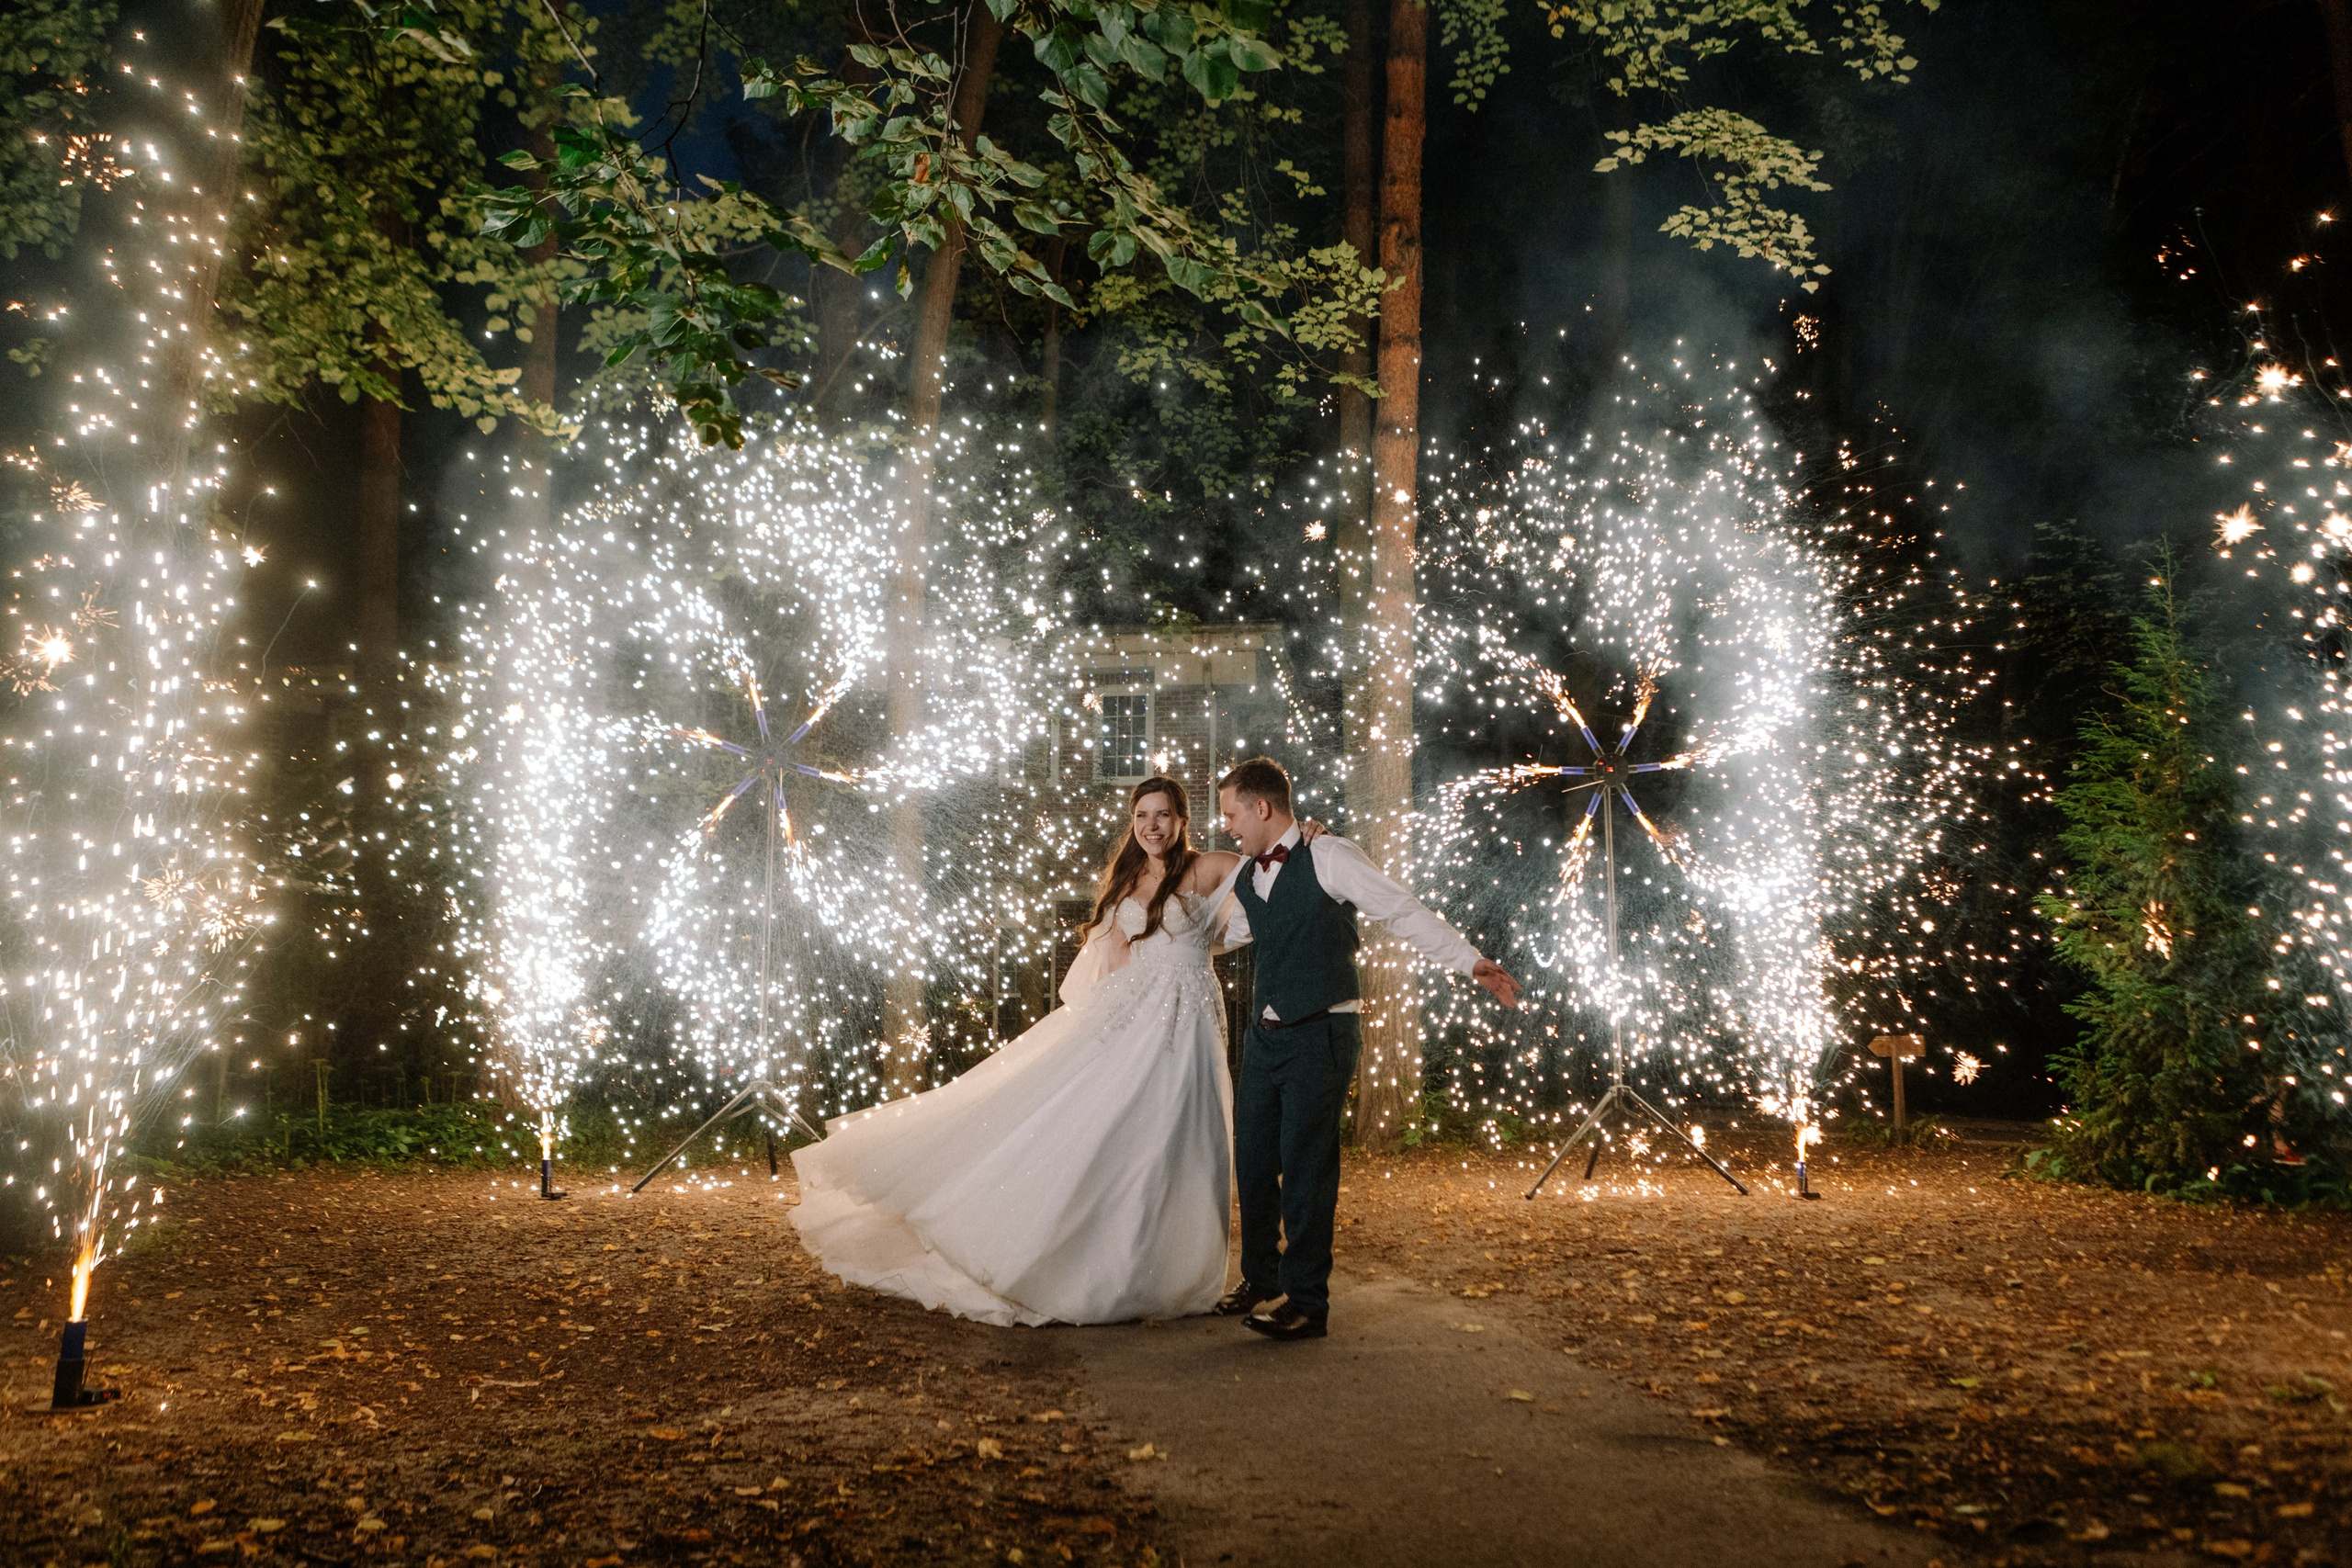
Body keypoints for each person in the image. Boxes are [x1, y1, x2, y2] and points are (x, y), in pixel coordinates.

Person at [789, 776, 1259, 1325]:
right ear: (1133, 823)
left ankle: (1168, 1264)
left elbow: (1274, 864)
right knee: (1122, 1131)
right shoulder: (1127, 879)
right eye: (1141, 816)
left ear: (1182, 820)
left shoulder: (1211, 867)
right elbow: (1107, 960)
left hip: (1194, 1019)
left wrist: (1309, 836)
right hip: (1134, 1018)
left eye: (1162, 815)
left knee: (1185, 1133)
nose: (1151, 826)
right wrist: (1094, 1027)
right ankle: (1092, 1255)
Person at [1215, 756, 1521, 1341]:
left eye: (1231, 814)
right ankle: (1262, 1277)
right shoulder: (1248, 876)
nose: (1227, 826)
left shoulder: (1329, 855)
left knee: (1306, 1169)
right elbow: (1230, 936)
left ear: (1262, 807)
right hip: (1264, 1037)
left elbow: (1400, 909)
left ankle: (1307, 1303)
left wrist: (1468, 960)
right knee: (1252, 1160)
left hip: (1321, 1034)